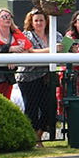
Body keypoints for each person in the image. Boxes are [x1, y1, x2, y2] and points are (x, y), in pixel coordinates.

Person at [18, 10, 56, 147]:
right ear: (31, 23)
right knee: (31, 109)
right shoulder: (26, 35)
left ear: (46, 22)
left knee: (50, 107)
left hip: (46, 77)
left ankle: (38, 136)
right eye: (36, 20)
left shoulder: (54, 35)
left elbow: (63, 48)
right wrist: (52, 49)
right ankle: (32, 139)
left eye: (41, 20)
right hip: (28, 78)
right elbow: (29, 51)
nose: (39, 23)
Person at [0, 8, 30, 103]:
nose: (7, 19)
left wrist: (13, 57)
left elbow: (27, 49)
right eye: (4, 17)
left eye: (9, 16)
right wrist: (9, 49)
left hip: (9, 75)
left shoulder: (16, 33)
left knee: (6, 100)